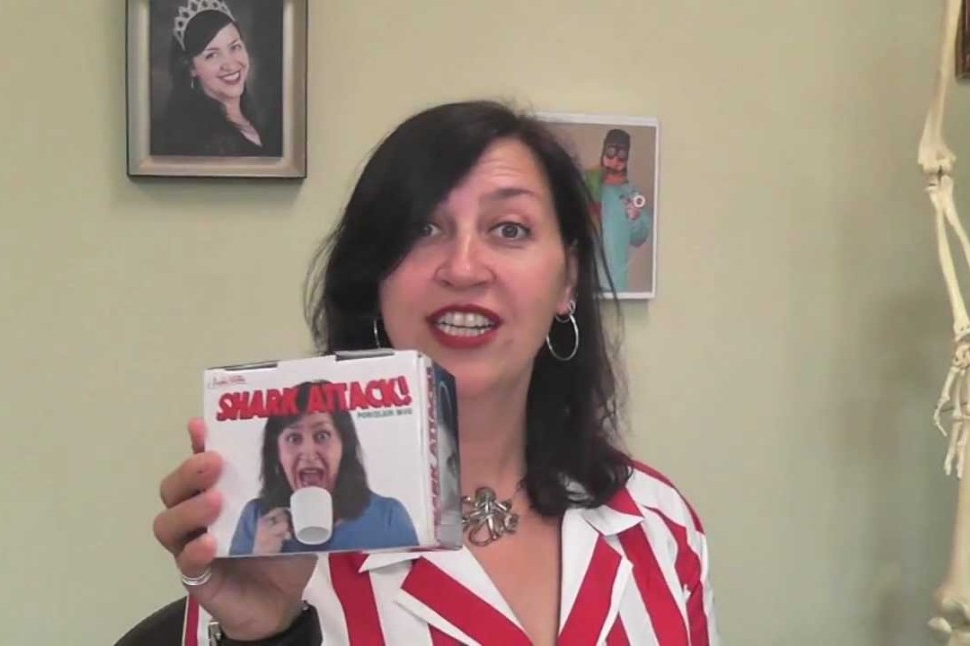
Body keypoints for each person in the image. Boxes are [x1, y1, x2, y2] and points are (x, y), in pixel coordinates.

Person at [144, 100, 719, 645]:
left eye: (509, 229)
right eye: (423, 229)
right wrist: (266, 637)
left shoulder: (657, 524)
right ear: (375, 278)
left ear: (567, 279)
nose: (464, 268)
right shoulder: (270, 552)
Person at [228, 380, 419, 556]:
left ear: (344, 446)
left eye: (322, 436)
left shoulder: (388, 517)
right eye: (294, 438)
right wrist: (260, 556)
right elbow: (231, 583)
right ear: (276, 452)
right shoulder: (255, 519)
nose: (308, 452)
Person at [152, 0, 280, 157]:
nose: (230, 64)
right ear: (191, 68)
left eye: (235, 47)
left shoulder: (254, 117)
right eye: (212, 55)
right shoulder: (204, 142)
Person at [583, 128, 654, 293]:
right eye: (610, 154)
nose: (614, 162)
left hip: (615, 281)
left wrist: (634, 217)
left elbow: (640, 237)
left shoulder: (630, 193)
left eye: (621, 157)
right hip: (587, 276)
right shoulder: (588, 183)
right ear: (603, 152)